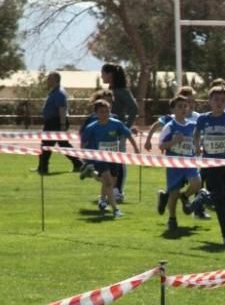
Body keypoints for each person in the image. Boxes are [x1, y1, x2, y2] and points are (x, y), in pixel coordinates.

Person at [194, 85, 225, 247]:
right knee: (220, 197)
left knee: (223, 199)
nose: (219, 103)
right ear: (210, 101)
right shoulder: (203, 119)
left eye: (223, 100)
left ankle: (204, 197)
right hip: (210, 164)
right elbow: (196, 134)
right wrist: (197, 147)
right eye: (216, 100)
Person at [156, 95, 208, 233]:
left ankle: (185, 197)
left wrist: (198, 147)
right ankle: (172, 218)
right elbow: (161, 146)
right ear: (173, 109)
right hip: (174, 164)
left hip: (189, 162)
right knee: (173, 194)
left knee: (197, 183)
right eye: (180, 106)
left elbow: (197, 138)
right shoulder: (170, 126)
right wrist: (174, 141)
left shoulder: (192, 125)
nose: (184, 109)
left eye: (186, 106)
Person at [81, 98, 139, 219]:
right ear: (96, 113)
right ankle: (115, 209)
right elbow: (83, 142)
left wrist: (136, 148)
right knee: (107, 182)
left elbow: (128, 134)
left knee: (110, 183)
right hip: (100, 158)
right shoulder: (91, 127)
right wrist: (86, 158)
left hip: (114, 158)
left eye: (107, 111)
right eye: (102, 112)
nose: (105, 114)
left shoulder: (116, 123)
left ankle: (102, 199)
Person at [100, 63, 139, 201]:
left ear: (110, 74)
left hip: (118, 132)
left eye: (103, 73)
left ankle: (118, 191)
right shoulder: (111, 90)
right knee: (109, 161)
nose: (101, 76)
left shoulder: (122, 91)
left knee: (119, 161)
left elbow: (134, 109)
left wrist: (126, 127)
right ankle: (111, 188)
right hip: (108, 131)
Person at [37, 71, 82, 174]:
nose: (47, 81)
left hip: (56, 122)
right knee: (60, 144)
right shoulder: (53, 92)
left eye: (49, 79)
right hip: (52, 122)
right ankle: (78, 164)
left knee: (47, 144)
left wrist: (62, 125)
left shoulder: (59, 93)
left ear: (55, 80)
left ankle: (43, 168)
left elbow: (62, 109)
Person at [143, 86, 199, 152]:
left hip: (191, 158)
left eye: (193, 101)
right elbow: (156, 125)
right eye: (189, 102)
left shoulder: (198, 117)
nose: (191, 104)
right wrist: (148, 141)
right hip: (174, 156)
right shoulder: (172, 118)